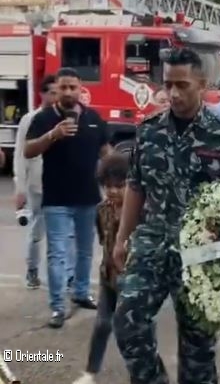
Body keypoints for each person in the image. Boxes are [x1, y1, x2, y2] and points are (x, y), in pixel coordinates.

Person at [112, 48, 220, 384]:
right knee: (128, 320)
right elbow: (136, 185)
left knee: (198, 345)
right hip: (153, 241)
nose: (173, 93)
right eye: (168, 84)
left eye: (182, 84)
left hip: (203, 252)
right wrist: (121, 238)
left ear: (201, 84)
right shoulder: (149, 130)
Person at [24, 67, 113, 329]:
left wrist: (116, 178)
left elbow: (106, 151)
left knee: (85, 252)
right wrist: (53, 135)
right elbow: (28, 150)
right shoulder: (44, 118)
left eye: (73, 87)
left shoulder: (94, 117)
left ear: (80, 89)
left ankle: (82, 292)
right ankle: (57, 307)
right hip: (56, 200)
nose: (68, 92)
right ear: (57, 90)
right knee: (58, 254)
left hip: (88, 197)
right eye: (63, 87)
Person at [13, 75, 77, 289]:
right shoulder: (32, 119)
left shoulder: (66, 118)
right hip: (38, 186)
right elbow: (21, 156)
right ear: (42, 94)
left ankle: (69, 276)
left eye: (56, 91)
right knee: (37, 232)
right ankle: (32, 270)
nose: (55, 95)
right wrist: (20, 187)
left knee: (67, 234)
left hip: (63, 185)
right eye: (51, 92)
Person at [72, 152, 129, 384]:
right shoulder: (101, 209)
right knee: (102, 324)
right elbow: (102, 238)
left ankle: (150, 374)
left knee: (135, 333)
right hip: (108, 277)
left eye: (119, 186)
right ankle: (90, 373)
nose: (113, 191)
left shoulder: (138, 211)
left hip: (132, 281)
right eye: (107, 186)